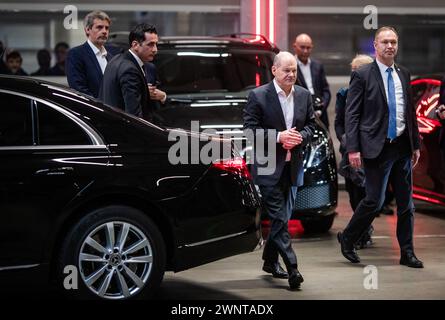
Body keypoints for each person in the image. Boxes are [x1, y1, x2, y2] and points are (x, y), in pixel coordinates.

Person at [338, 26, 423, 268]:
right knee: (374, 201)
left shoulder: (404, 74)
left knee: (407, 204)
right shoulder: (363, 74)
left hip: (402, 147)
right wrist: (353, 149)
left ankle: (407, 253)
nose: (390, 46)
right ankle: (348, 238)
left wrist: (415, 144)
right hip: (377, 147)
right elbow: (352, 115)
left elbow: (409, 112)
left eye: (393, 41)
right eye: (385, 41)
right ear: (375, 46)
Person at [244, 51, 316, 290]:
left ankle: (269, 262)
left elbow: (311, 127)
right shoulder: (258, 95)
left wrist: (298, 137)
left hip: (292, 166)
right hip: (267, 167)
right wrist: (278, 137)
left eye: (294, 70)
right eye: (286, 70)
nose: (291, 74)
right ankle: (293, 268)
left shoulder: (304, 96)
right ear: (274, 70)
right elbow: (250, 131)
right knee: (278, 218)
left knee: (282, 218)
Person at [335, 54, 373, 249]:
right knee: (353, 193)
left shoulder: (376, 94)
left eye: (359, 70)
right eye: (353, 70)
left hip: (370, 152)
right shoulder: (344, 93)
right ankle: (362, 230)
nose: (355, 74)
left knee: (367, 193)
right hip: (350, 151)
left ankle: (361, 233)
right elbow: (339, 123)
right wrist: (345, 139)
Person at [100, 23, 158, 121]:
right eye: (150, 44)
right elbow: (134, 116)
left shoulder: (116, 59)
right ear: (135, 45)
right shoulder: (130, 70)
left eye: (156, 44)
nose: (155, 50)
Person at [66, 11, 112, 98]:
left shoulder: (110, 57)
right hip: (90, 109)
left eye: (107, 28)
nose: (104, 31)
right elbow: (78, 89)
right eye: (99, 27)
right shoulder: (76, 54)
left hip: (111, 110)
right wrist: (99, 106)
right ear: (87, 30)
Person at [292, 33, 331, 128]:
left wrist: (321, 109)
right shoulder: (290, 66)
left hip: (320, 114)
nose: (305, 51)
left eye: (308, 48)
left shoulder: (318, 65)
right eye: (302, 47)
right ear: (294, 47)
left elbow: (326, 90)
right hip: (301, 115)